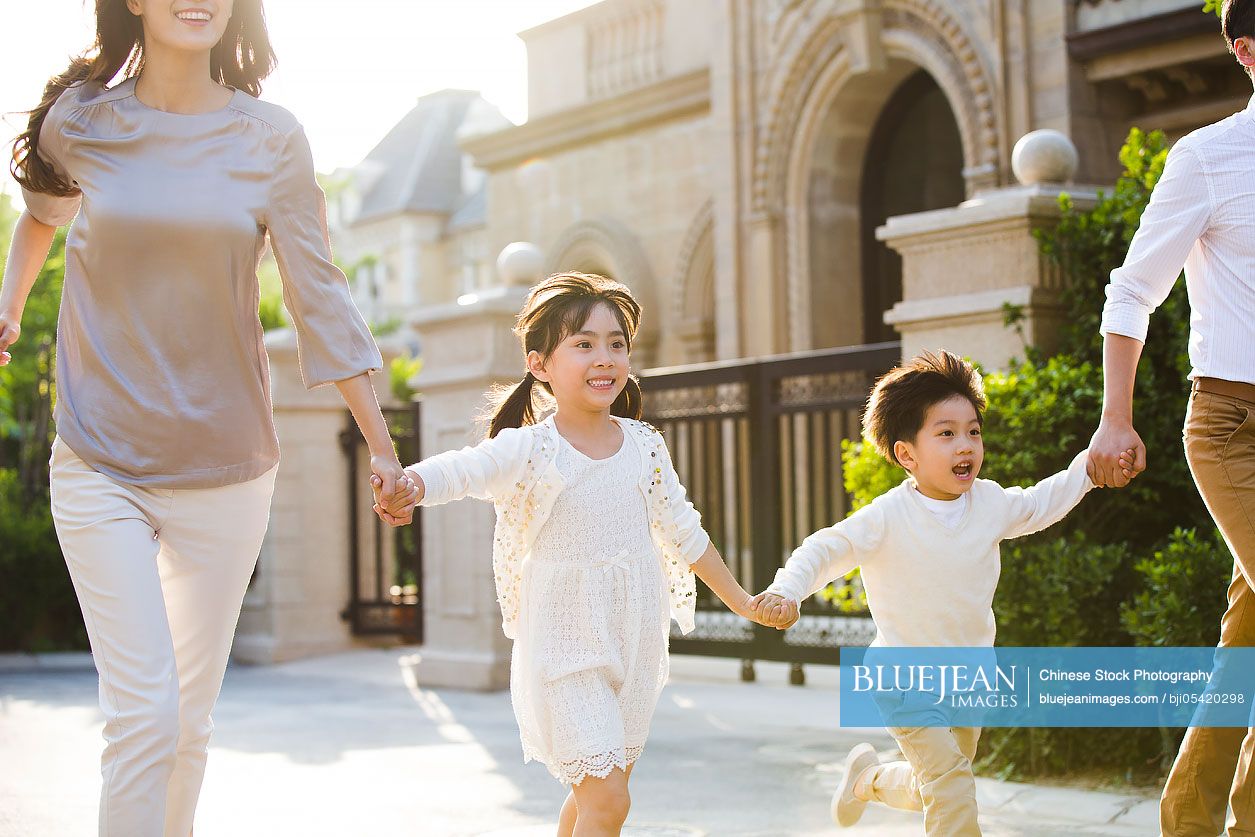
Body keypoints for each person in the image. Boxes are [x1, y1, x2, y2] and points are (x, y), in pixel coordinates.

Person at [0, 2, 413, 833]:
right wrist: (8, 310)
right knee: (144, 715)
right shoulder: (82, 122)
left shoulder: (271, 137)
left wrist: (380, 443)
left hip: (226, 466)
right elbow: (43, 215)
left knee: (186, 722)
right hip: (99, 455)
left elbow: (316, 293)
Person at [376, 272, 771, 836]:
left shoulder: (644, 445)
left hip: (634, 637)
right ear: (540, 365)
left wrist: (742, 601)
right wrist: (409, 484)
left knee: (597, 799)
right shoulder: (532, 448)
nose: (604, 357)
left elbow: (684, 531)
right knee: (608, 802)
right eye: (583, 344)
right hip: (564, 644)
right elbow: (464, 469)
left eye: (616, 343)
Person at [755, 350, 1114, 835]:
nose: (964, 445)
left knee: (939, 783)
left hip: (969, 678)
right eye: (945, 434)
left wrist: (1090, 469)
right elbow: (824, 549)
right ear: (907, 455)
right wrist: (787, 591)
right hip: (902, 680)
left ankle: (869, 780)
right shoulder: (886, 518)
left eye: (972, 431)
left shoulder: (988, 502)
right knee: (950, 784)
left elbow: (1038, 503)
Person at [1087, 1, 1255, 831]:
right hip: (1229, 427)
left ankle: (1193, 820)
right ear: (1246, 52)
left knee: (1247, 639)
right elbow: (1131, 290)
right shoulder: (1208, 159)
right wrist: (1114, 417)